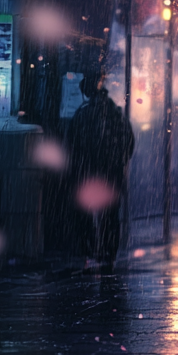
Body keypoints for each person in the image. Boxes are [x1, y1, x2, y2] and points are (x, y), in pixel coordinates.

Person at [66, 70, 135, 266]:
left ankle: (90, 251)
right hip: (111, 174)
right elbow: (128, 142)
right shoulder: (115, 113)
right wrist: (118, 162)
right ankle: (108, 253)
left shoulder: (83, 114)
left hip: (89, 174)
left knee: (86, 213)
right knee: (110, 215)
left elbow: (72, 145)